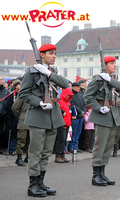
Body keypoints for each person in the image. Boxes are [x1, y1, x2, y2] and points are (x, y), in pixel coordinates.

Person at [18, 44, 68, 197]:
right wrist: (39, 102)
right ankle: (32, 185)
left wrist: (49, 74)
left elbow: (66, 85)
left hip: (53, 116)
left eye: (55, 53)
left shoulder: (51, 71)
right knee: (36, 152)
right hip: (38, 116)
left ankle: (41, 182)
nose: (54, 56)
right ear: (41, 55)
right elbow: (23, 94)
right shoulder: (31, 72)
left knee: (46, 152)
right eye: (50, 53)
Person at [84, 56, 120, 186]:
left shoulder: (111, 79)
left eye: (115, 63)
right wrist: (98, 108)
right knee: (100, 146)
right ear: (105, 65)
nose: (115, 65)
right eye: (112, 63)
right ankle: (96, 175)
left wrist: (109, 80)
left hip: (112, 115)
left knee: (108, 147)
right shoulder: (97, 79)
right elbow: (87, 96)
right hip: (102, 115)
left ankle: (102, 173)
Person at [11, 80, 30, 166]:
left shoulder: (34, 95)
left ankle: (27, 157)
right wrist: (20, 117)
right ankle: (19, 158)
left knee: (30, 141)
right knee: (21, 140)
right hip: (23, 120)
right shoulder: (23, 94)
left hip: (32, 121)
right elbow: (15, 108)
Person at [54, 88, 73, 163]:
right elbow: (55, 109)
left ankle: (62, 155)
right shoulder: (59, 101)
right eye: (68, 95)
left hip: (67, 123)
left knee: (64, 140)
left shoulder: (68, 103)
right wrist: (61, 111)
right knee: (60, 140)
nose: (69, 97)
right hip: (61, 123)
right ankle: (58, 155)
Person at [69, 82, 86, 153]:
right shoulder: (71, 95)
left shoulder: (80, 96)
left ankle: (76, 146)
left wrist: (84, 112)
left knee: (78, 133)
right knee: (74, 132)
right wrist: (80, 112)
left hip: (80, 117)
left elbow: (84, 105)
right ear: (73, 87)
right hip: (75, 117)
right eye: (78, 87)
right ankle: (71, 147)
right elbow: (73, 105)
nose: (79, 88)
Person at [5, 79, 21, 155]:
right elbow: (7, 106)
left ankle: (19, 149)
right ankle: (12, 148)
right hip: (13, 118)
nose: (20, 86)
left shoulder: (22, 94)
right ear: (15, 86)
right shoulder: (12, 95)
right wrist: (14, 113)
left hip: (20, 118)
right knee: (13, 133)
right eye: (19, 84)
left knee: (20, 134)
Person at [0, 75, 9, 152]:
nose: (1, 81)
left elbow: (8, 103)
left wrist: (5, 112)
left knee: (1, 131)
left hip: (3, 115)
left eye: (2, 79)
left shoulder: (7, 91)